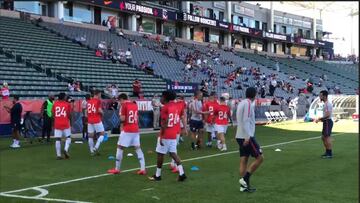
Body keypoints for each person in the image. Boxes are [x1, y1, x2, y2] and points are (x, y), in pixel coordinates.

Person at [149, 90, 187, 182]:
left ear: (165, 98)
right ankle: (182, 173)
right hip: (173, 133)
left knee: (160, 154)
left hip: (166, 134)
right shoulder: (175, 106)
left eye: (162, 96)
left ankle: (158, 175)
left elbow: (164, 123)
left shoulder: (165, 108)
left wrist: (161, 136)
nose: (161, 98)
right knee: (173, 153)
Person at [107, 93, 146, 175]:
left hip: (127, 129)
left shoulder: (123, 106)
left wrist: (120, 119)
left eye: (119, 100)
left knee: (120, 147)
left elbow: (123, 118)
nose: (119, 102)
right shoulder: (134, 105)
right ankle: (143, 168)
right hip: (135, 129)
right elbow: (137, 118)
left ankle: (117, 169)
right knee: (137, 148)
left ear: (122, 99)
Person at [236, 87, 264, 193]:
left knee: (244, 159)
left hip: (239, 135)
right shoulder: (248, 103)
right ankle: (245, 179)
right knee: (260, 158)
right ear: (254, 94)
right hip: (246, 136)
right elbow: (246, 119)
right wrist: (248, 136)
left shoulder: (242, 103)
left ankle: (243, 187)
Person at [52, 93, 72, 159]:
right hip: (65, 123)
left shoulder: (55, 104)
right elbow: (69, 115)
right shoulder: (67, 104)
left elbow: (53, 114)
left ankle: (58, 155)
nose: (66, 97)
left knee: (57, 139)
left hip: (57, 123)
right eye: (65, 97)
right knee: (68, 138)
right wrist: (70, 122)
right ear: (63, 97)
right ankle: (65, 149)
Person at [314, 90, 334, 159]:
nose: (320, 97)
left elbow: (328, 115)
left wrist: (319, 119)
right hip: (326, 122)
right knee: (323, 137)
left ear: (324, 96)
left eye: (321, 95)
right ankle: (327, 152)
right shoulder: (326, 104)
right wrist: (320, 119)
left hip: (328, 122)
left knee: (327, 138)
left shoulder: (327, 104)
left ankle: (329, 154)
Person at [87, 90, 105, 156]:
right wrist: (103, 113)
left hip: (90, 120)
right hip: (96, 119)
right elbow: (99, 110)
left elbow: (87, 111)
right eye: (100, 94)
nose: (100, 96)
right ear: (98, 94)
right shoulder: (98, 101)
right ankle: (96, 147)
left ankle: (91, 151)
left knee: (90, 136)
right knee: (102, 134)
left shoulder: (89, 101)